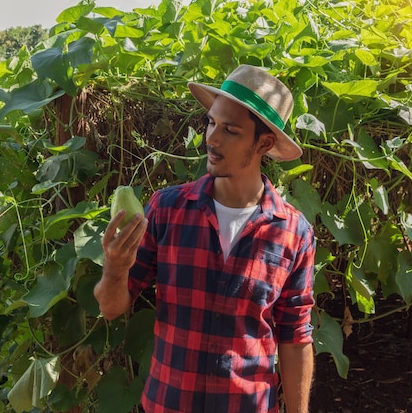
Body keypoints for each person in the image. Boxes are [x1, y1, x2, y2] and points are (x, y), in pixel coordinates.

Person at [94, 64, 316, 413]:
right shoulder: (166, 209)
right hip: (169, 404)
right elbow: (110, 307)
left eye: (229, 130)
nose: (211, 138)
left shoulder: (293, 232)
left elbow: (295, 336)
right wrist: (115, 267)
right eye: (211, 123)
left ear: (265, 143)